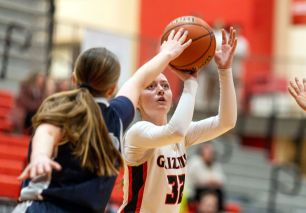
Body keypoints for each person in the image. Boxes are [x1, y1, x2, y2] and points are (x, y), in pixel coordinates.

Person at [13, 28, 191, 213]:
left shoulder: (78, 106)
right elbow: (139, 80)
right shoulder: (114, 115)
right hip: (44, 207)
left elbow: (47, 131)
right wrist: (167, 54)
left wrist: (40, 155)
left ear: (74, 79)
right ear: (112, 88)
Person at [119, 27, 237, 213]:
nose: (160, 90)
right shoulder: (137, 133)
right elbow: (176, 131)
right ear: (137, 102)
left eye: (165, 85)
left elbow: (226, 122)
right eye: (150, 86)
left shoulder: (181, 134)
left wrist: (224, 70)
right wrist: (190, 85)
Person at [187, 143, 226, 211]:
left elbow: (222, 180)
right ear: (202, 152)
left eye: (212, 153)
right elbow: (201, 180)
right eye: (209, 152)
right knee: (209, 194)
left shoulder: (215, 164)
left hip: (209, 190)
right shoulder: (195, 162)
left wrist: (211, 181)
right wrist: (212, 181)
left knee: (220, 193)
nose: (211, 154)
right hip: (194, 191)